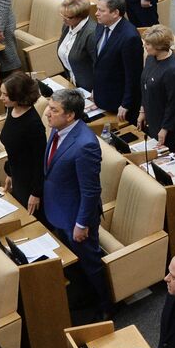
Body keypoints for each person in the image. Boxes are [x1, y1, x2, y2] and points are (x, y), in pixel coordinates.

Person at [42, 88, 112, 317]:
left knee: (90, 262)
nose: (47, 113)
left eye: (54, 110)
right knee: (74, 263)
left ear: (70, 115)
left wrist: (81, 223)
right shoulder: (58, 129)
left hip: (76, 216)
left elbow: (90, 190)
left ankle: (106, 305)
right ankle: (85, 297)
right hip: (58, 208)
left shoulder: (85, 144)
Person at [0, 71, 45, 216]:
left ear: (18, 95)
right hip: (18, 178)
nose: (1, 98)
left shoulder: (33, 124)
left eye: (5, 95)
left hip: (30, 185)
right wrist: (10, 174)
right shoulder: (12, 110)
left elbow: (40, 161)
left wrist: (36, 193)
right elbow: (15, 150)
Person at [91, 0, 143, 121]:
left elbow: (133, 75)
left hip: (117, 102)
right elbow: (99, 61)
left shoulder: (130, 37)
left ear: (115, 13)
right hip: (101, 95)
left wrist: (126, 104)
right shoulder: (101, 24)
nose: (96, 13)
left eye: (101, 10)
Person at [138, 25, 175, 150]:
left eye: (148, 44)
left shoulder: (172, 70)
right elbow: (145, 85)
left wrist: (165, 128)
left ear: (159, 46)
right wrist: (142, 110)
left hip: (166, 126)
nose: (144, 46)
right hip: (152, 117)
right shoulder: (150, 58)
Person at [55, 0, 97, 90]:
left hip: (90, 88)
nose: (64, 19)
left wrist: (96, 90)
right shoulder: (67, 26)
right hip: (73, 82)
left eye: (68, 17)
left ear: (81, 16)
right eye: (62, 15)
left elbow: (100, 66)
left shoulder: (92, 34)